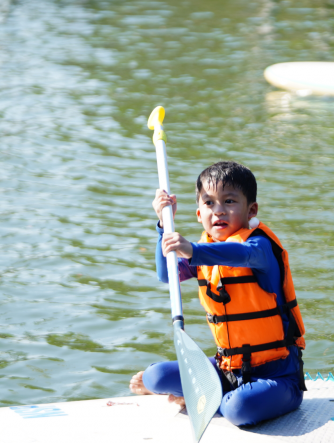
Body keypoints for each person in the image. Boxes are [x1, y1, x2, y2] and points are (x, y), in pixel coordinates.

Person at [129, 161, 307, 427]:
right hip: (227, 370)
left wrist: (193, 250)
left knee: (237, 408)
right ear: (199, 213)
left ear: (251, 210)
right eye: (209, 203)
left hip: (277, 375)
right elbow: (167, 274)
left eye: (230, 201)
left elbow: (241, 254)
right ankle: (208, 394)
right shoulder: (203, 252)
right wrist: (164, 226)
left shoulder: (259, 247)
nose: (219, 210)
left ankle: (203, 397)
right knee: (156, 376)